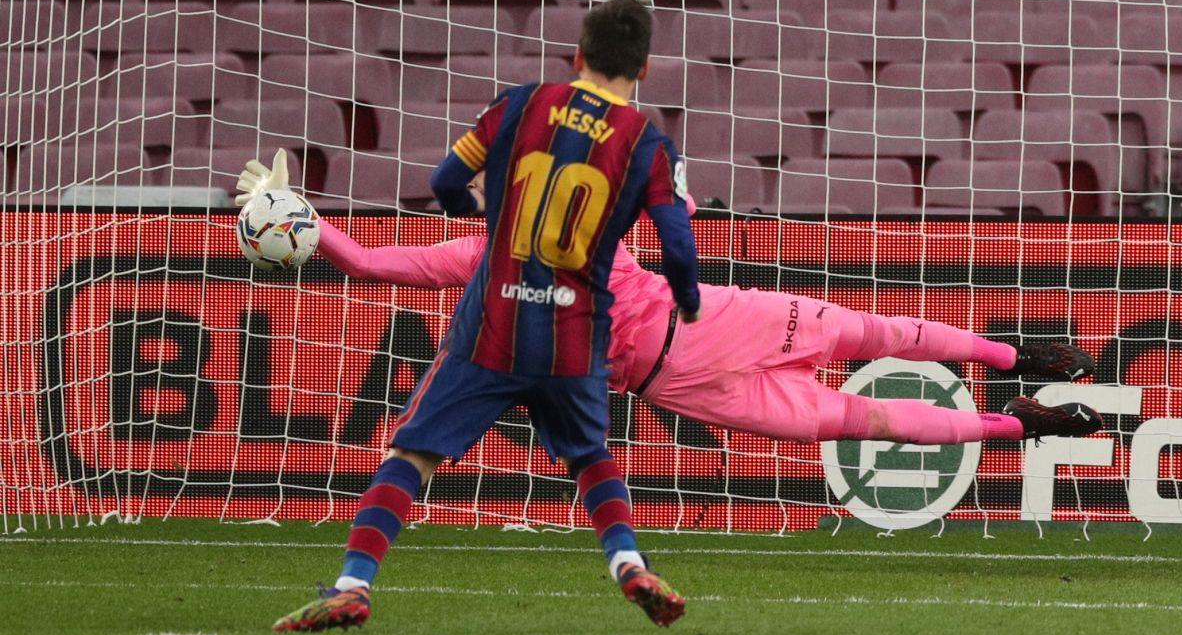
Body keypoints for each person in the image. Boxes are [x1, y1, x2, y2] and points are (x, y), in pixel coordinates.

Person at [264, 0, 701, 632]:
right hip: (573, 334)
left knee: (411, 454)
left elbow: (445, 181)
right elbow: (676, 242)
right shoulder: (647, 144)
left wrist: (487, 217)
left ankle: (354, 584)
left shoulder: (517, 105)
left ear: (576, 57)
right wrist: (686, 299)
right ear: (647, 68)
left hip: (493, 322)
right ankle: (628, 563)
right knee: (588, 456)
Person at [282, 189, 1103, 447]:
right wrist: (312, 230)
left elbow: (657, 187)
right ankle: (1022, 426)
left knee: (874, 332)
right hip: (680, 383)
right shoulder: (478, 257)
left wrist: (670, 189)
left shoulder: (590, 218)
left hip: (716, 321)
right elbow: (367, 263)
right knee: (866, 419)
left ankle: (1008, 352)